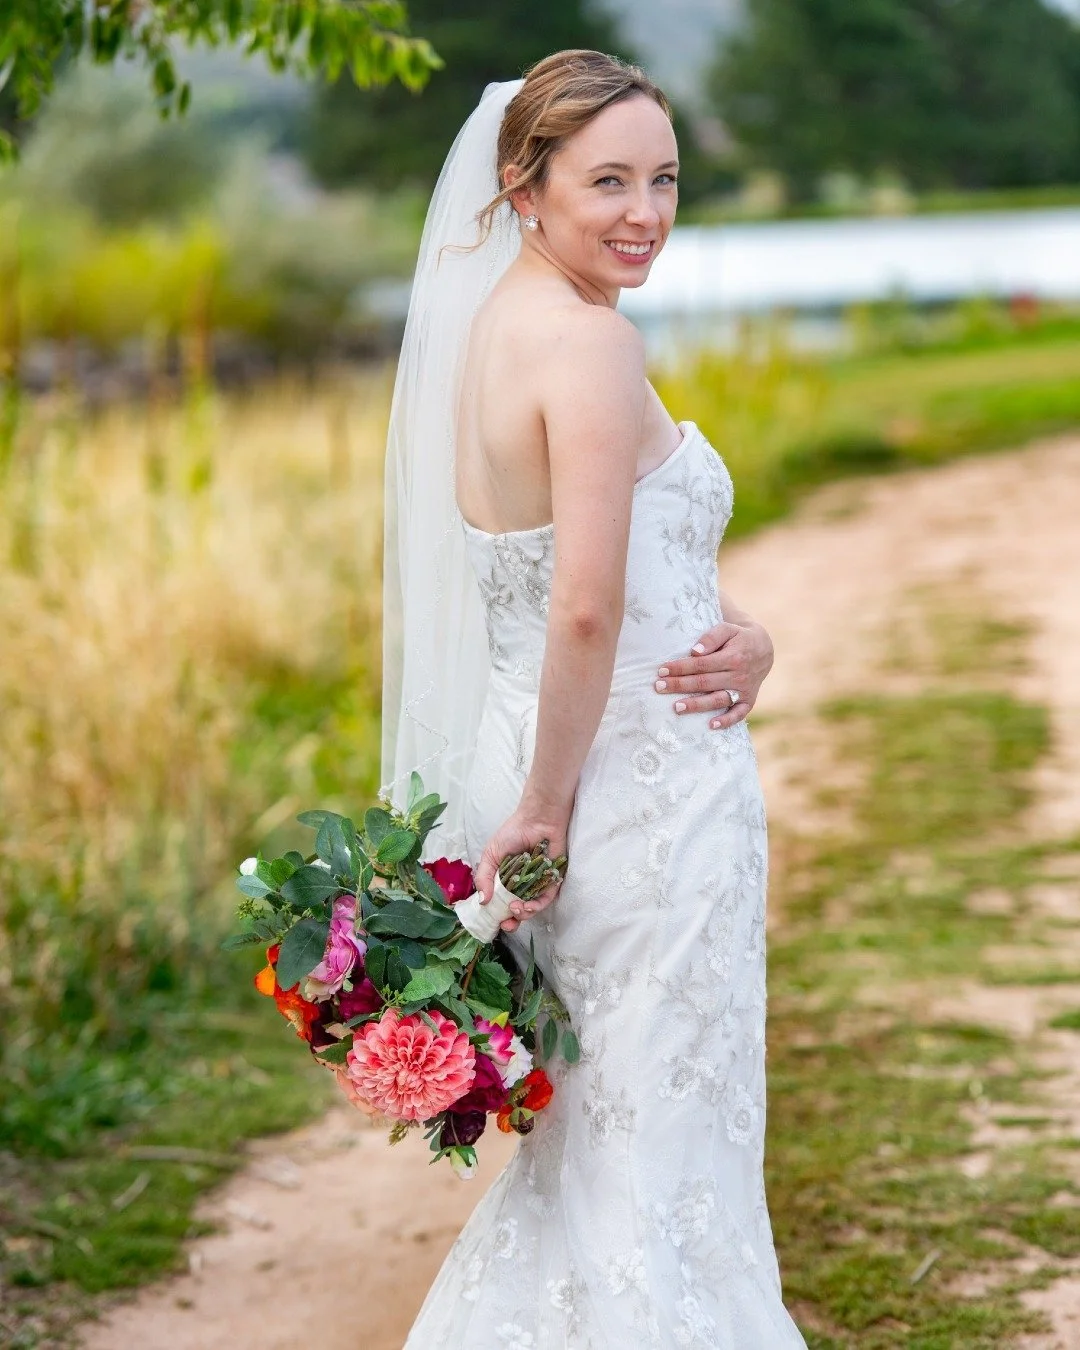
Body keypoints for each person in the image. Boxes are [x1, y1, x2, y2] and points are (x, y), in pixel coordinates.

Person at [382, 48, 807, 1349]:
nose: (646, 211)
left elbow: (589, 581)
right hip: (632, 800)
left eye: (665, 179)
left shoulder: (496, 329)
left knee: (607, 1129)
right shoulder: (590, 344)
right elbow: (582, 604)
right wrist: (550, 813)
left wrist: (751, 638)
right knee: (655, 1133)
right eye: (608, 180)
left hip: (567, 755)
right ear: (525, 184)